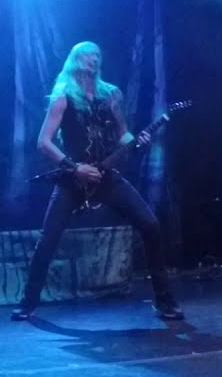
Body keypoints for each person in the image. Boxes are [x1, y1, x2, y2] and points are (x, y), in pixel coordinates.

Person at [12, 41, 183, 322]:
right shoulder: (63, 96)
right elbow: (43, 142)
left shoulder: (110, 94)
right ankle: (28, 303)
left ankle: (165, 301)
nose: (93, 59)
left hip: (106, 176)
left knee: (151, 225)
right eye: (87, 54)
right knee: (48, 239)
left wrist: (138, 141)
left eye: (96, 55)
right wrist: (74, 168)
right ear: (75, 60)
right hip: (73, 179)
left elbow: (124, 135)